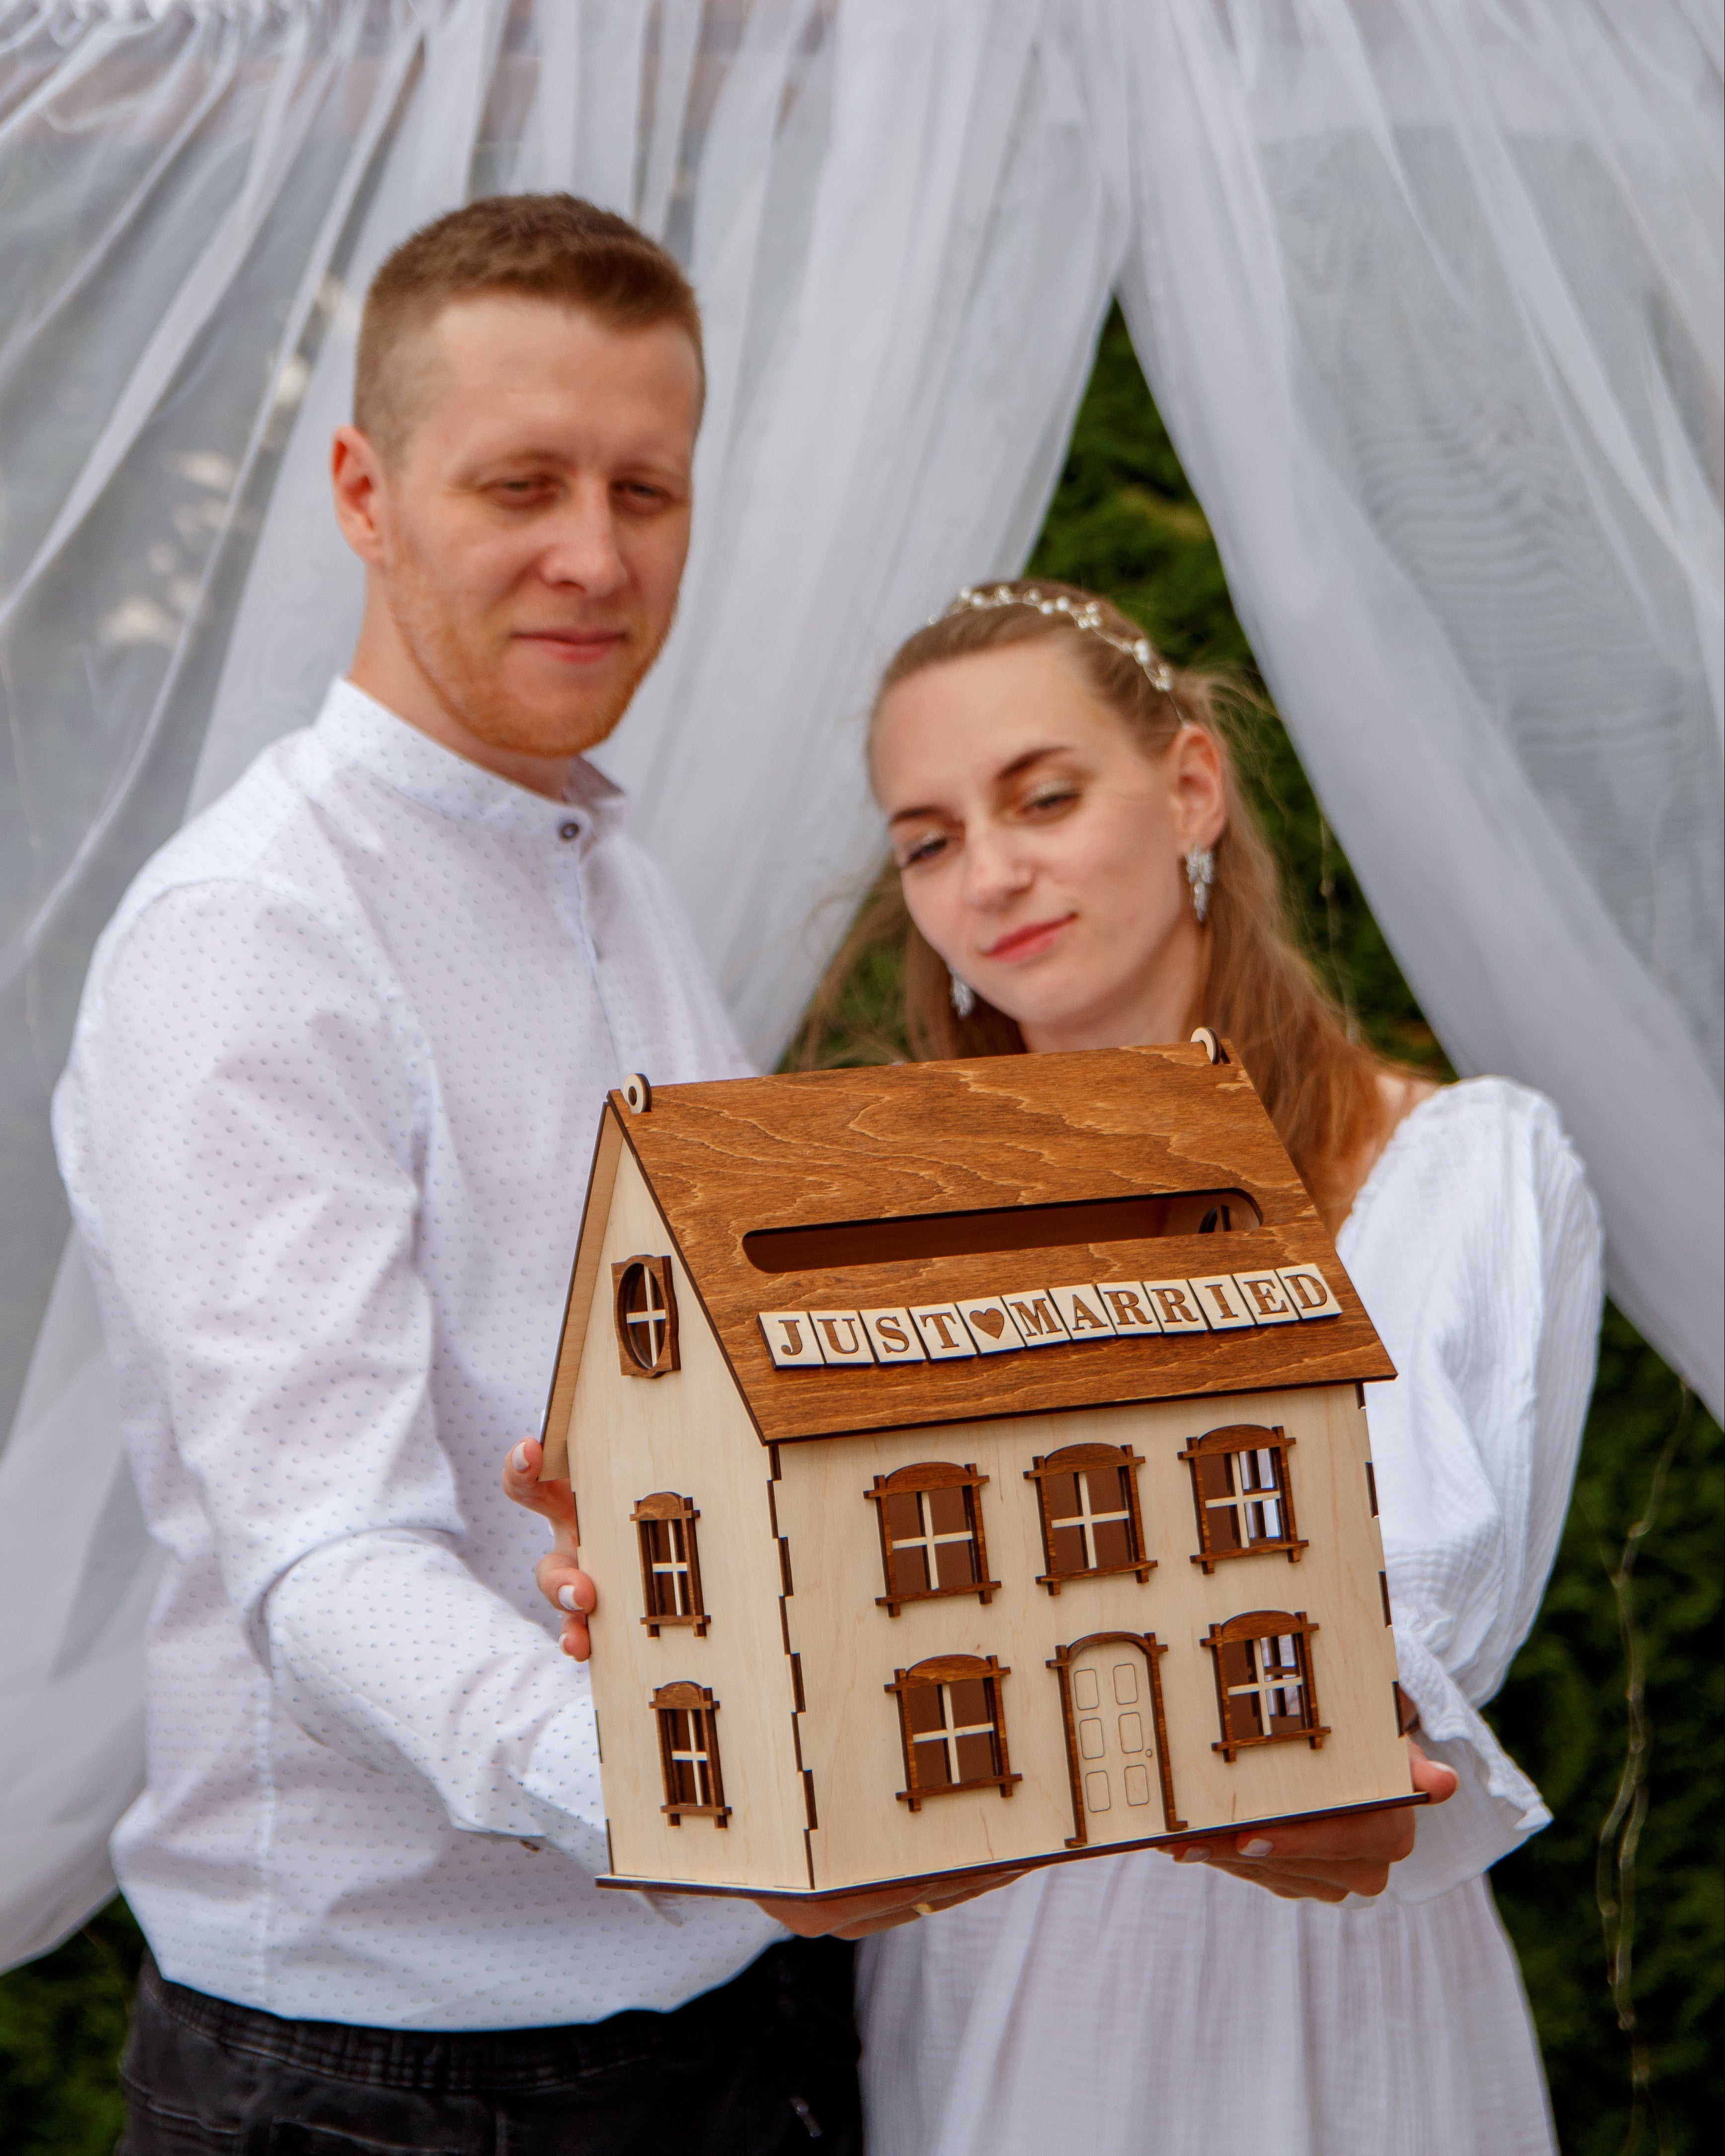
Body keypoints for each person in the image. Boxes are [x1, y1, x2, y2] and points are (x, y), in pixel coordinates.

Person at [513, 578, 1602, 2154]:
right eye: (930, 839)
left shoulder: (1463, 1171)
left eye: (1042, 795)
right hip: (983, 1971)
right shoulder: (851, 1228)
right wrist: (661, 1552)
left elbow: (1422, 1617)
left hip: (1315, 1977)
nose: (991, 874)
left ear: (1186, 789)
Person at [53, 192, 916, 2156]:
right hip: (387, 2079)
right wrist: (720, 1798)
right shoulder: (256, 935)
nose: (594, 555)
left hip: (732, 2012)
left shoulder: (615, 880)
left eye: (649, 488)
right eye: (518, 481)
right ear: (363, 493)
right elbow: (321, 1560)